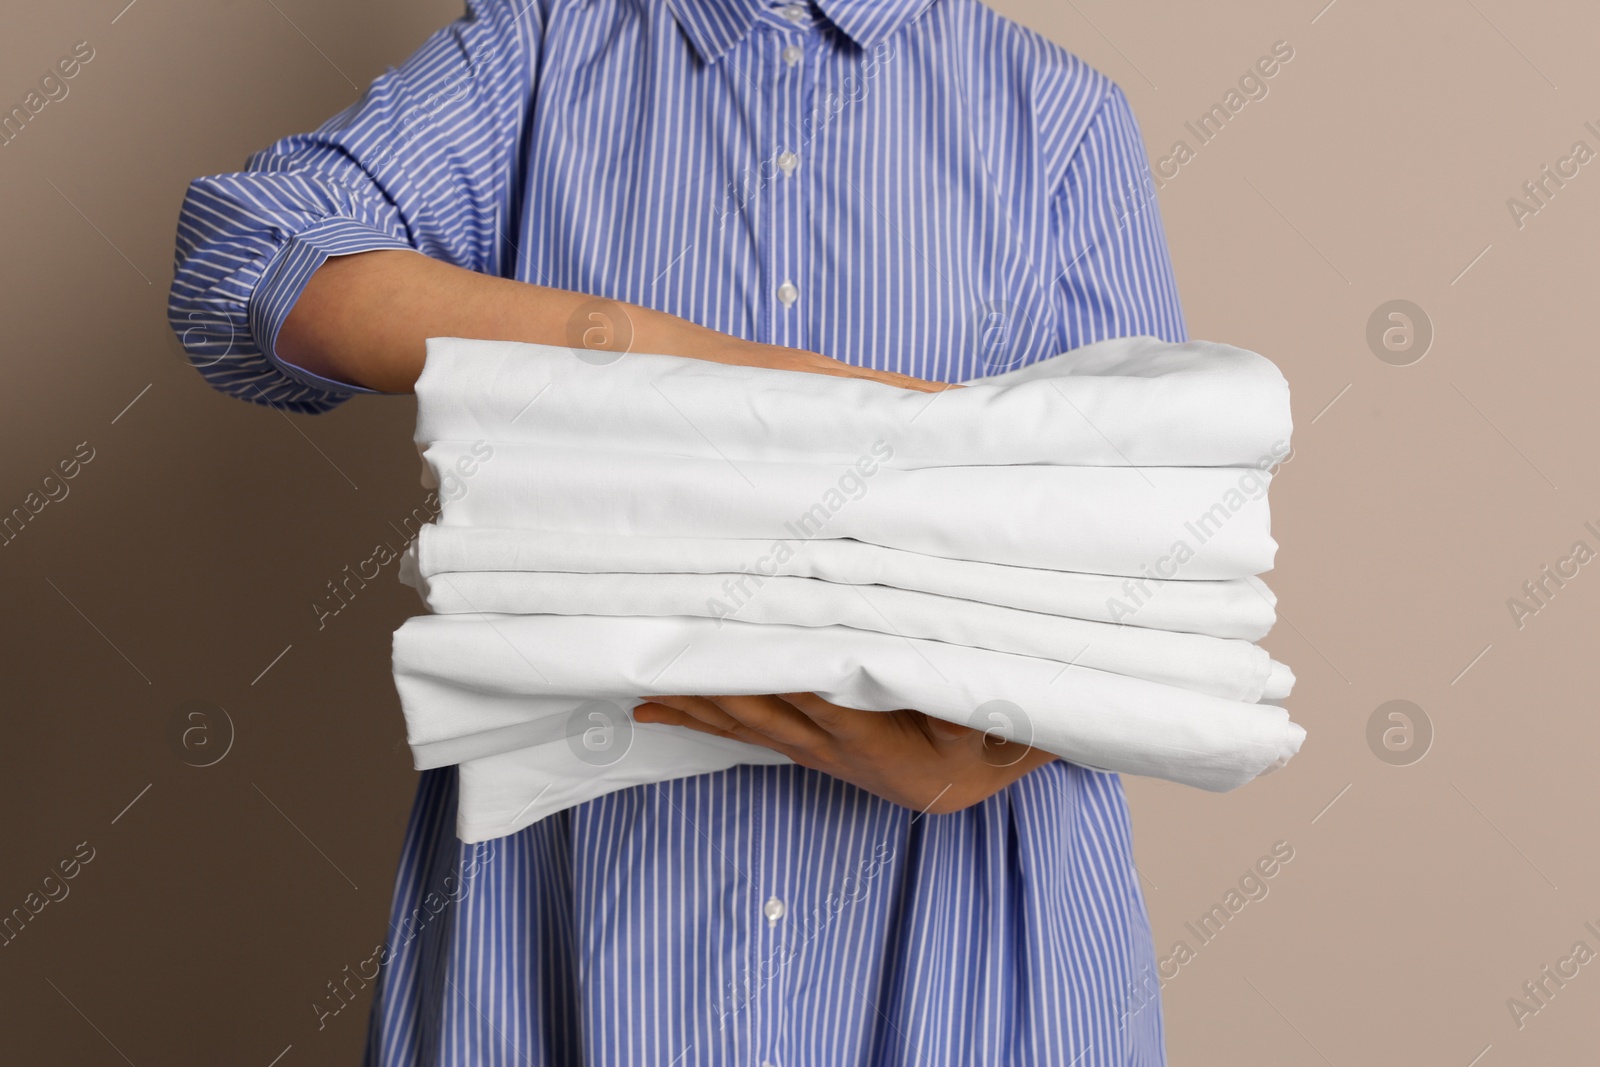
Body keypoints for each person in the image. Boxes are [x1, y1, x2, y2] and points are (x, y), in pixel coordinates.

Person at [169, 0, 1183, 1062]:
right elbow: (244, 257)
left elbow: (1153, 545)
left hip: (952, 933)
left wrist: (999, 738)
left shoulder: (1060, 120)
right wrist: (704, 371)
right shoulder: (538, 53)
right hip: (574, 907)